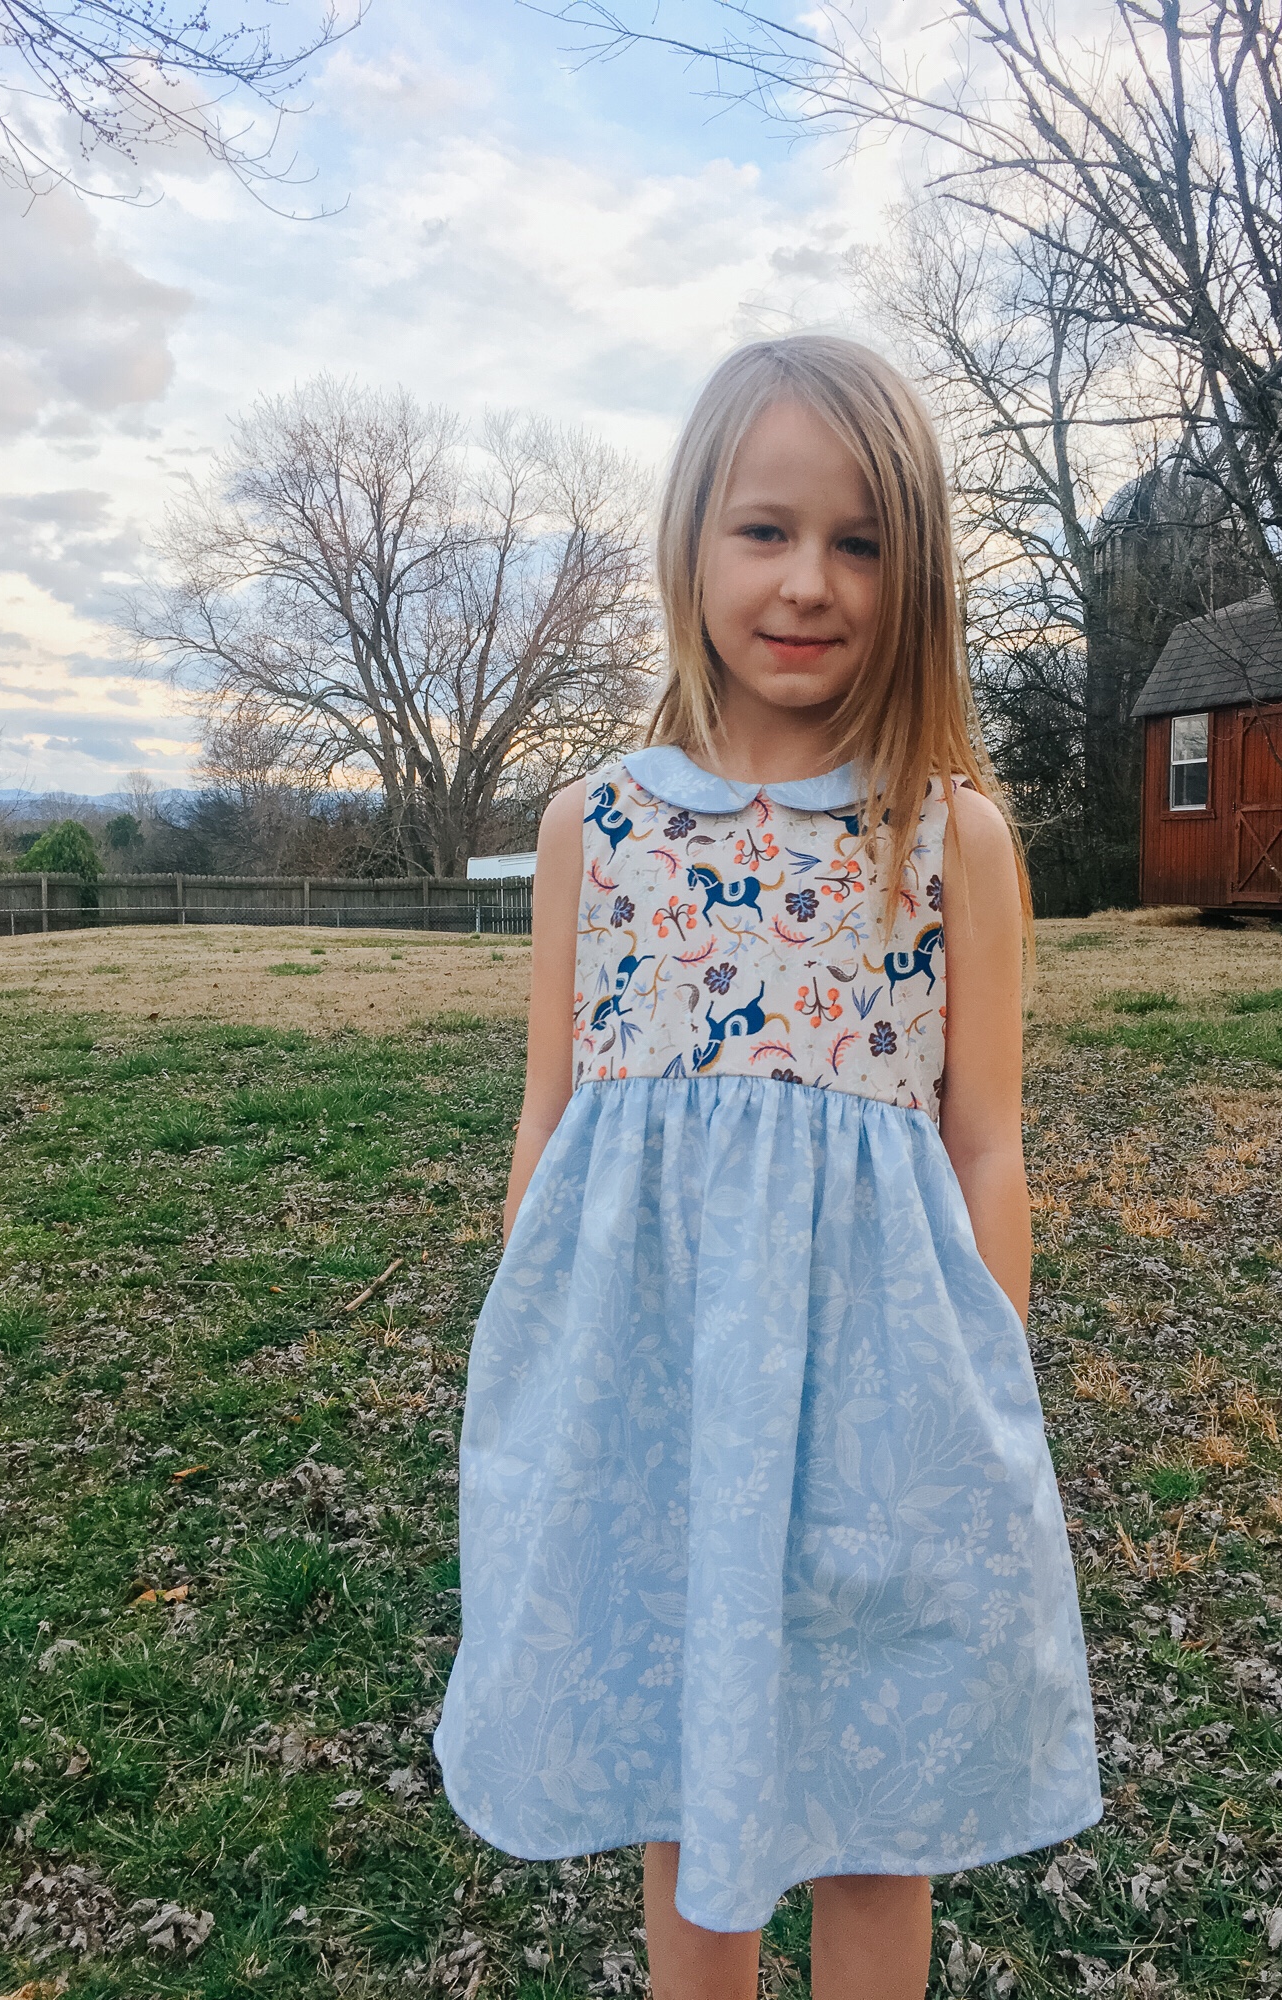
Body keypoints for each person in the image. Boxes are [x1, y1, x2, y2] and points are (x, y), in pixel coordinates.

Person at [433, 334, 1100, 2000]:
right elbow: (549, 1118)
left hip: (886, 1403)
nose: (808, 582)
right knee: (692, 1776)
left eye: (859, 542)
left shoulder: (948, 834)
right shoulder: (594, 829)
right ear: (692, 544)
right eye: (766, 530)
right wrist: (538, 1365)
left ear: (914, 570)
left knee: (878, 1806)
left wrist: (984, 1398)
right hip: (658, 1396)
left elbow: (986, 1139)